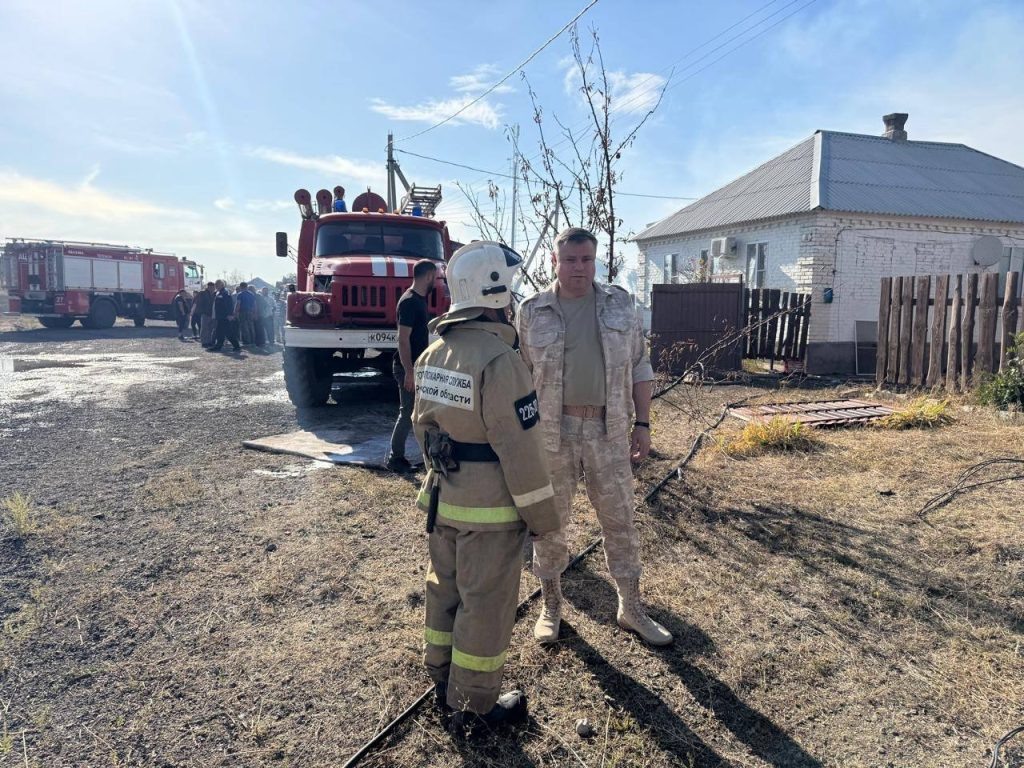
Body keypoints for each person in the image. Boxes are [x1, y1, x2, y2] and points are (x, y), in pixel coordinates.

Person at [413, 241, 560, 734]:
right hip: (491, 511)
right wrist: (544, 522)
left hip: (443, 499)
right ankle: (474, 703)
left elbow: (422, 429)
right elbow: (521, 452)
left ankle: (441, 677)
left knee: (445, 591)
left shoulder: (433, 353)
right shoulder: (501, 361)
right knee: (486, 602)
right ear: (493, 292)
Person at [516, 227, 672, 647]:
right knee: (549, 525)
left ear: (595, 260)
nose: (578, 268)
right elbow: (523, 375)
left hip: (608, 430)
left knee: (621, 520)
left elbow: (640, 365)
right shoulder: (532, 311)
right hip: (553, 434)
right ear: (554, 261)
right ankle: (551, 605)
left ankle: (631, 608)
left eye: (586, 259)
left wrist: (643, 423)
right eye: (569, 259)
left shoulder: (619, 304)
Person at [386, 259, 437, 473]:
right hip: (408, 368)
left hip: (416, 368)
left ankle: (421, 455)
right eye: (434, 276)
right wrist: (409, 371)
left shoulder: (419, 300)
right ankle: (395, 458)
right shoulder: (409, 301)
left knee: (418, 412)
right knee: (407, 412)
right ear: (428, 276)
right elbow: (403, 339)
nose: (435, 280)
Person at [209, 280, 240, 352]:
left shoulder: (225, 293)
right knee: (219, 332)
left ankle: (236, 346)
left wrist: (230, 315)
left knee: (228, 332)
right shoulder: (218, 293)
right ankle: (218, 346)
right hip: (220, 316)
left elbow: (229, 304)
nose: (216, 286)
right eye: (216, 285)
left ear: (222, 285)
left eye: (218, 285)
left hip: (225, 316)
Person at [195, 282, 216, 347]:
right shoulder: (202, 293)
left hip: (212, 314)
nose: (213, 288)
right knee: (204, 328)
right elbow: (198, 303)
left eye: (214, 287)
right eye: (212, 287)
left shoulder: (214, 294)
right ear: (208, 287)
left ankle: (209, 341)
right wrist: (201, 312)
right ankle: (204, 342)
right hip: (205, 313)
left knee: (210, 328)